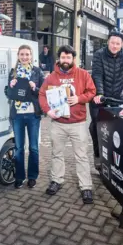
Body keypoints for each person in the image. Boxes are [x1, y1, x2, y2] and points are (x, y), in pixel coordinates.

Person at [38, 45, 96, 204]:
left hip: (78, 123)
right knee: (57, 153)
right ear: (59, 59)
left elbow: (92, 92)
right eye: (63, 57)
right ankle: (56, 180)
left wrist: (79, 99)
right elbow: (42, 94)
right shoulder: (51, 77)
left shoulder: (83, 74)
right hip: (58, 123)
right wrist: (47, 110)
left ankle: (86, 187)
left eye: (68, 58)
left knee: (82, 156)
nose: (65, 60)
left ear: (73, 59)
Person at [90, 30, 123, 170]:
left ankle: (114, 157)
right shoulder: (99, 55)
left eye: (118, 44)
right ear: (108, 42)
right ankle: (98, 156)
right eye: (112, 43)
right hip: (99, 97)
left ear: (122, 45)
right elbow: (97, 75)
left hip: (117, 97)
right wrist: (100, 94)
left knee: (117, 127)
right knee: (97, 126)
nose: (114, 46)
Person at [4, 45, 45, 189]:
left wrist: (35, 87)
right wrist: (11, 85)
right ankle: (19, 177)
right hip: (18, 115)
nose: (24, 57)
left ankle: (32, 176)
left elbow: (43, 92)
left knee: (33, 147)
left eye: (27, 54)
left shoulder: (37, 71)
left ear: (31, 56)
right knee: (19, 148)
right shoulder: (13, 72)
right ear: (18, 56)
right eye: (22, 54)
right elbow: (8, 94)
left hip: (33, 114)